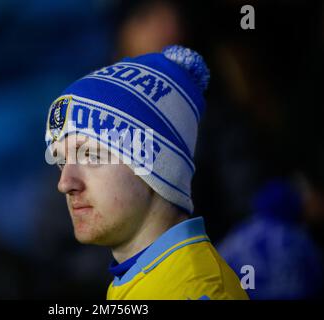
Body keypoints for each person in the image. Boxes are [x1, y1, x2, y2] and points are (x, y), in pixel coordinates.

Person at [44, 45, 248, 300]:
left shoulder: (196, 291)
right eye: (62, 161)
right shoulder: (146, 276)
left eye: (91, 156)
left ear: (154, 166)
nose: (65, 183)